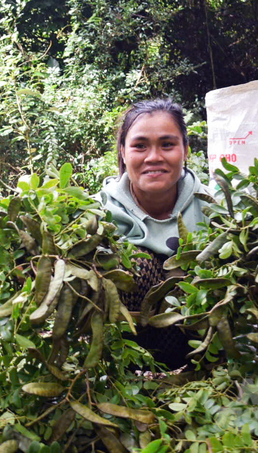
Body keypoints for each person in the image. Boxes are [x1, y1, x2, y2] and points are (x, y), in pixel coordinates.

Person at [98, 99, 209, 369]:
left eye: (167, 144)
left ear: (186, 151)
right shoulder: (97, 214)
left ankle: (200, 369)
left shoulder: (214, 209)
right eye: (140, 146)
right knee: (133, 262)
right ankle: (128, 372)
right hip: (124, 354)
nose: (154, 157)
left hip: (199, 350)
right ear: (123, 152)